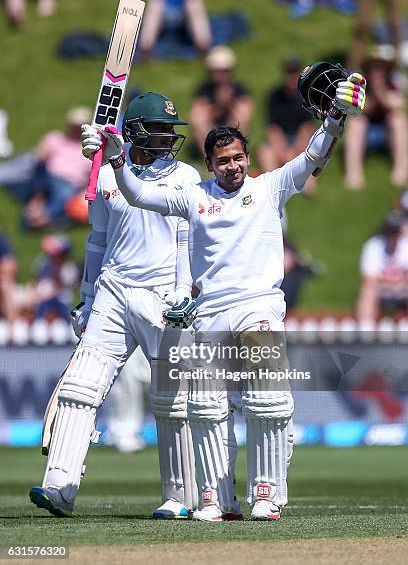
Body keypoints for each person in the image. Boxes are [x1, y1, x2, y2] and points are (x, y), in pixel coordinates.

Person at [81, 70, 366, 520]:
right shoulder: (193, 196)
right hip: (210, 313)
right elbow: (135, 195)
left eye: (238, 158)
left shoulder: (269, 188)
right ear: (210, 164)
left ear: (247, 158)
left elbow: (311, 157)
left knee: (268, 399)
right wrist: (117, 160)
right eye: (223, 161)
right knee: (204, 406)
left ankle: (266, 494)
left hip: (258, 306)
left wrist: (334, 120)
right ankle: (216, 498)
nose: (232, 166)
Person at [29, 92, 201, 520]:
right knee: (81, 386)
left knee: (173, 398)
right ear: (136, 132)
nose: (167, 138)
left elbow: (187, 241)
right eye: (158, 129)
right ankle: (60, 486)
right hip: (113, 289)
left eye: (170, 131)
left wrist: (185, 291)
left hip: (163, 294)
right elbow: (98, 242)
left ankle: (181, 497)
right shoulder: (105, 176)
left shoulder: (186, 177)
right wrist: (87, 299)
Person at [343, 51, 408, 189]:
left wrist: (381, 93)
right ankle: (353, 174)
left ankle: (400, 171)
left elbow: (398, 104)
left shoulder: (394, 84)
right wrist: (375, 96)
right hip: (367, 135)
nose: (377, 72)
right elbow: (357, 110)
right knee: (356, 123)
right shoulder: (361, 86)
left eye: (380, 68)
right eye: (374, 68)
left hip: (388, 134)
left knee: (398, 120)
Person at [23, 106, 92, 230]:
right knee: (42, 179)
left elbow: (92, 177)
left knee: (66, 193)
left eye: (80, 126)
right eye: (74, 125)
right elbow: (39, 158)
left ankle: (41, 218)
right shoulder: (56, 138)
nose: (76, 129)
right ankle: (39, 213)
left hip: (71, 184)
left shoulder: (90, 147)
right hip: (48, 177)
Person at [257, 57, 316, 193]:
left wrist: (294, 150)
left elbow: (307, 128)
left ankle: (304, 186)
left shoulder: (306, 95)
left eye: (295, 72)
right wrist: (283, 152)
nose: (292, 76)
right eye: (289, 72)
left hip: (300, 141)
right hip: (280, 140)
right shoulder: (274, 96)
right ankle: (273, 188)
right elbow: (272, 128)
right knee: (265, 152)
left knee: (308, 153)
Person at [190, 45, 253, 151]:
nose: (219, 74)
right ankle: (208, 153)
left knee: (241, 112)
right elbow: (197, 114)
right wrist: (219, 106)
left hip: (232, 124)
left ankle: (236, 149)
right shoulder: (204, 89)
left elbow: (247, 111)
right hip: (211, 126)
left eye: (223, 71)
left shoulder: (239, 89)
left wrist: (229, 105)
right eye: (216, 71)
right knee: (198, 117)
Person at [356, 210, 408, 322]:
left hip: (403, 288)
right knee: (368, 291)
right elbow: (369, 279)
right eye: (391, 231)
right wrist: (393, 281)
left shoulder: (406, 245)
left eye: (396, 231)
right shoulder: (373, 245)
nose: (393, 235)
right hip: (381, 288)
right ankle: (366, 330)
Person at [0, 226, 17, 333]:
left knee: (4, 286)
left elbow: (11, 266)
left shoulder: (2, 244)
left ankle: (12, 331)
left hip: (4, 284)